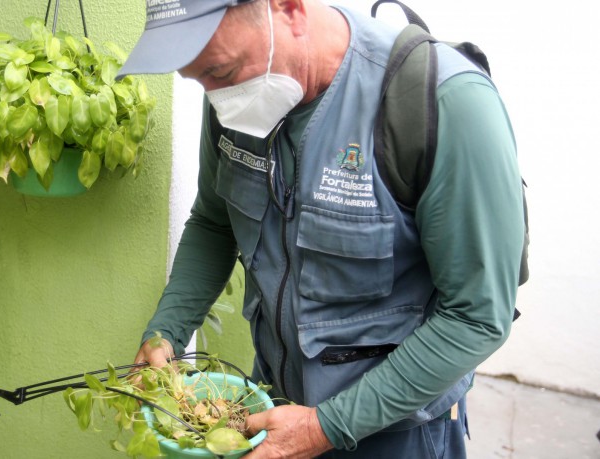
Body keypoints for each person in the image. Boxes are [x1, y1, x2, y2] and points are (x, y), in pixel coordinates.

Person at [120, 0, 525, 457]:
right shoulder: (234, 101)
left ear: (289, 10)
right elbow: (214, 222)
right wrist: (166, 332)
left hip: (394, 433)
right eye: (199, 80)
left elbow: (475, 317)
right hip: (273, 412)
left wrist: (324, 427)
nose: (215, 95)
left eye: (221, 71)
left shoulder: (444, 100)